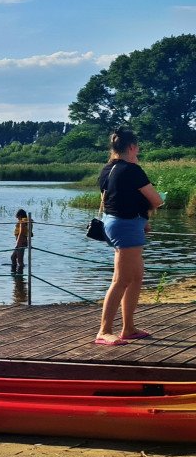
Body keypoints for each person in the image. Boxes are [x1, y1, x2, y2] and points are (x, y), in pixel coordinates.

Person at [95, 128, 165, 346]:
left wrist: (141, 220)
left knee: (135, 278)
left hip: (118, 224)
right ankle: (104, 331)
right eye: (138, 148)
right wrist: (145, 212)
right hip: (126, 227)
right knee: (121, 280)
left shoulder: (107, 169)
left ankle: (129, 328)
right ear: (132, 147)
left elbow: (113, 199)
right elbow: (156, 200)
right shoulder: (133, 170)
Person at [11, 209, 32, 273]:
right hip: (22, 241)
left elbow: (21, 232)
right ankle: (14, 272)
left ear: (20, 216)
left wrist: (18, 242)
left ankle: (20, 277)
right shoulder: (27, 222)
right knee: (13, 257)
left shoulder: (23, 222)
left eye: (18, 218)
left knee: (20, 261)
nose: (18, 219)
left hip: (21, 242)